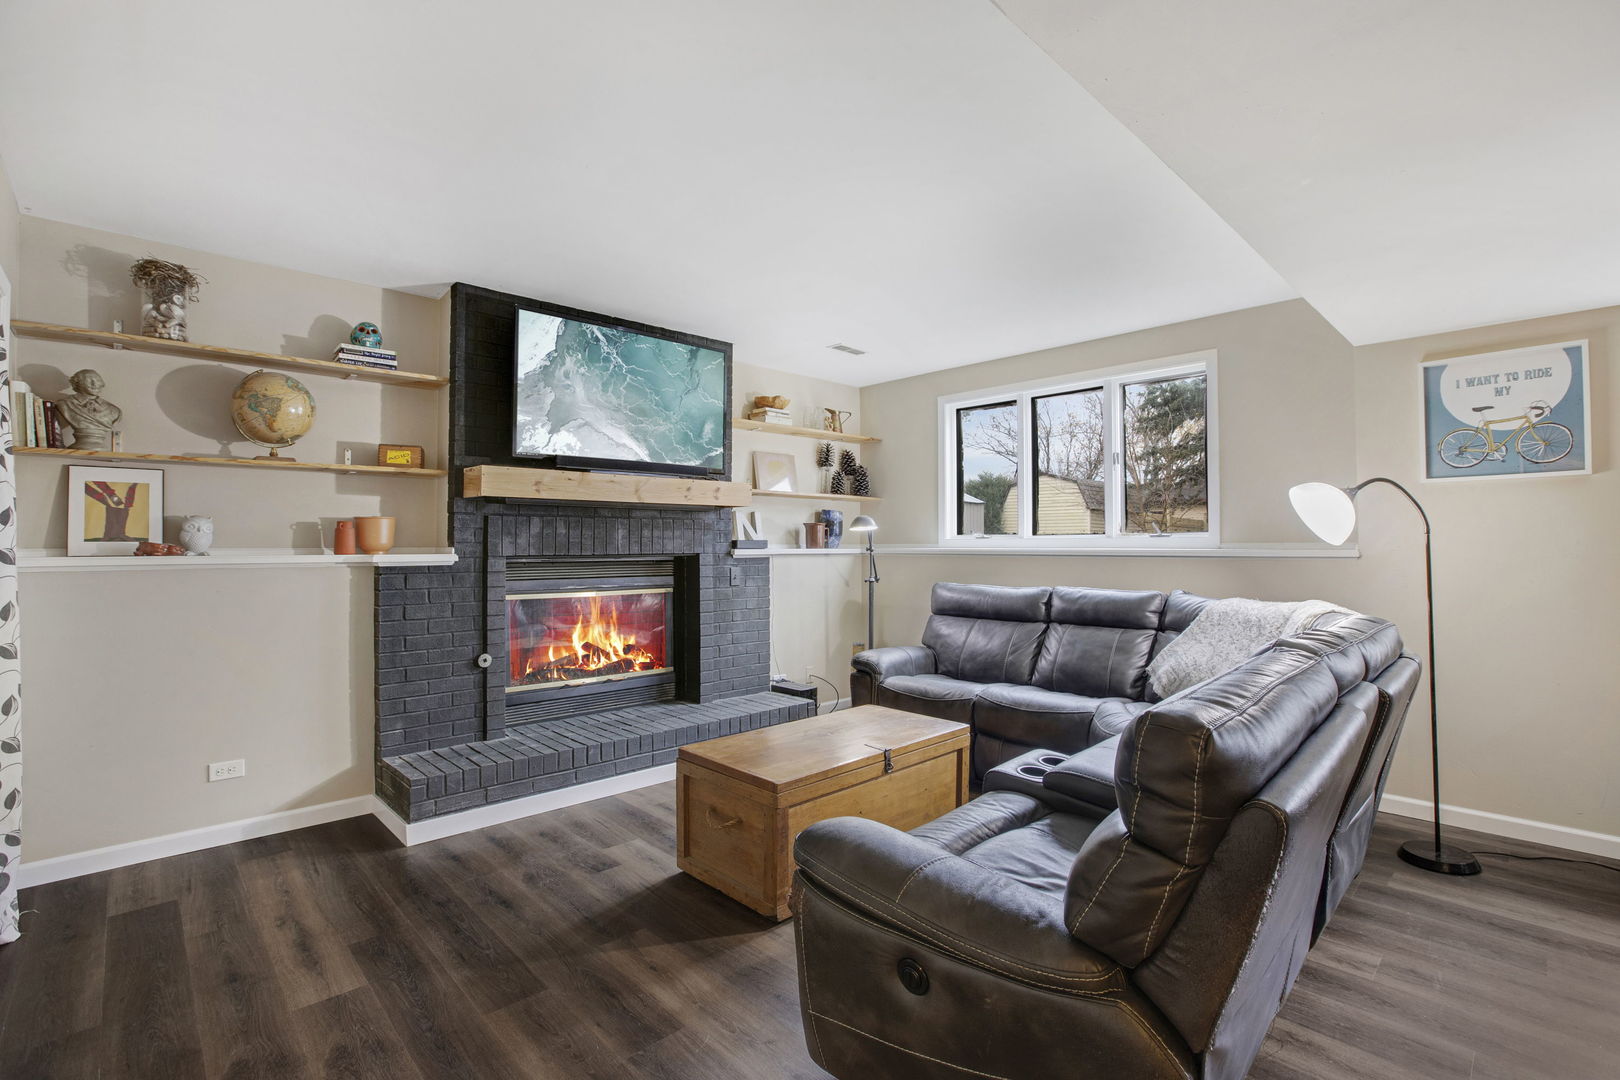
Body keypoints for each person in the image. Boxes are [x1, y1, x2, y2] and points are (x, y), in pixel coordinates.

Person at [55, 369, 122, 451]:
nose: (95, 384)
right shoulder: (64, 404)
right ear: (77, 383)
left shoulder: (114, 411)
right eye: (89, 380)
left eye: (98, 380)